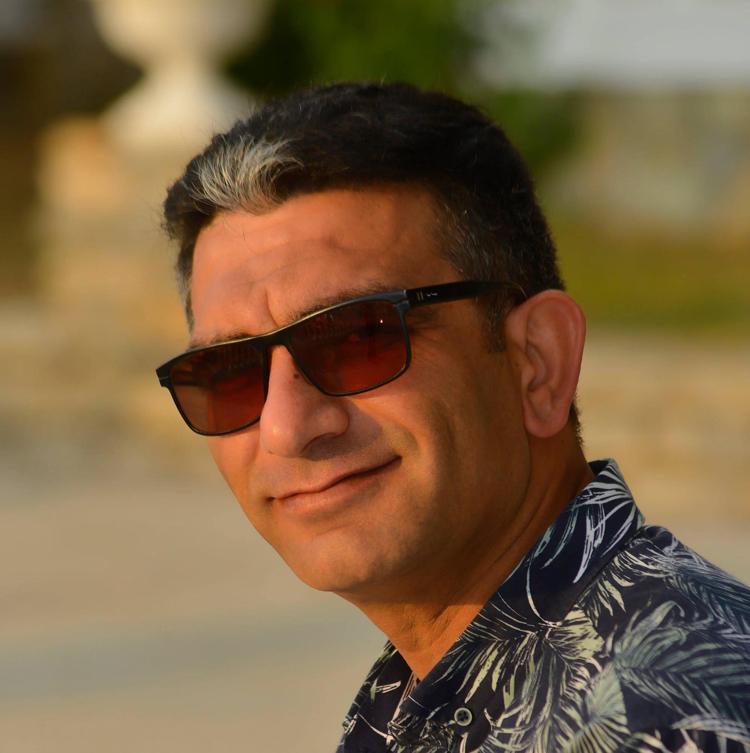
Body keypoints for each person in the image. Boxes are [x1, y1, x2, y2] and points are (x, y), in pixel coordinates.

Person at [155, 82, 750, 753]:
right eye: (229, 373)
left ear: (539, 361)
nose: (287, 428)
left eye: (358, 338)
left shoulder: (662, 723)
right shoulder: (450, 685)